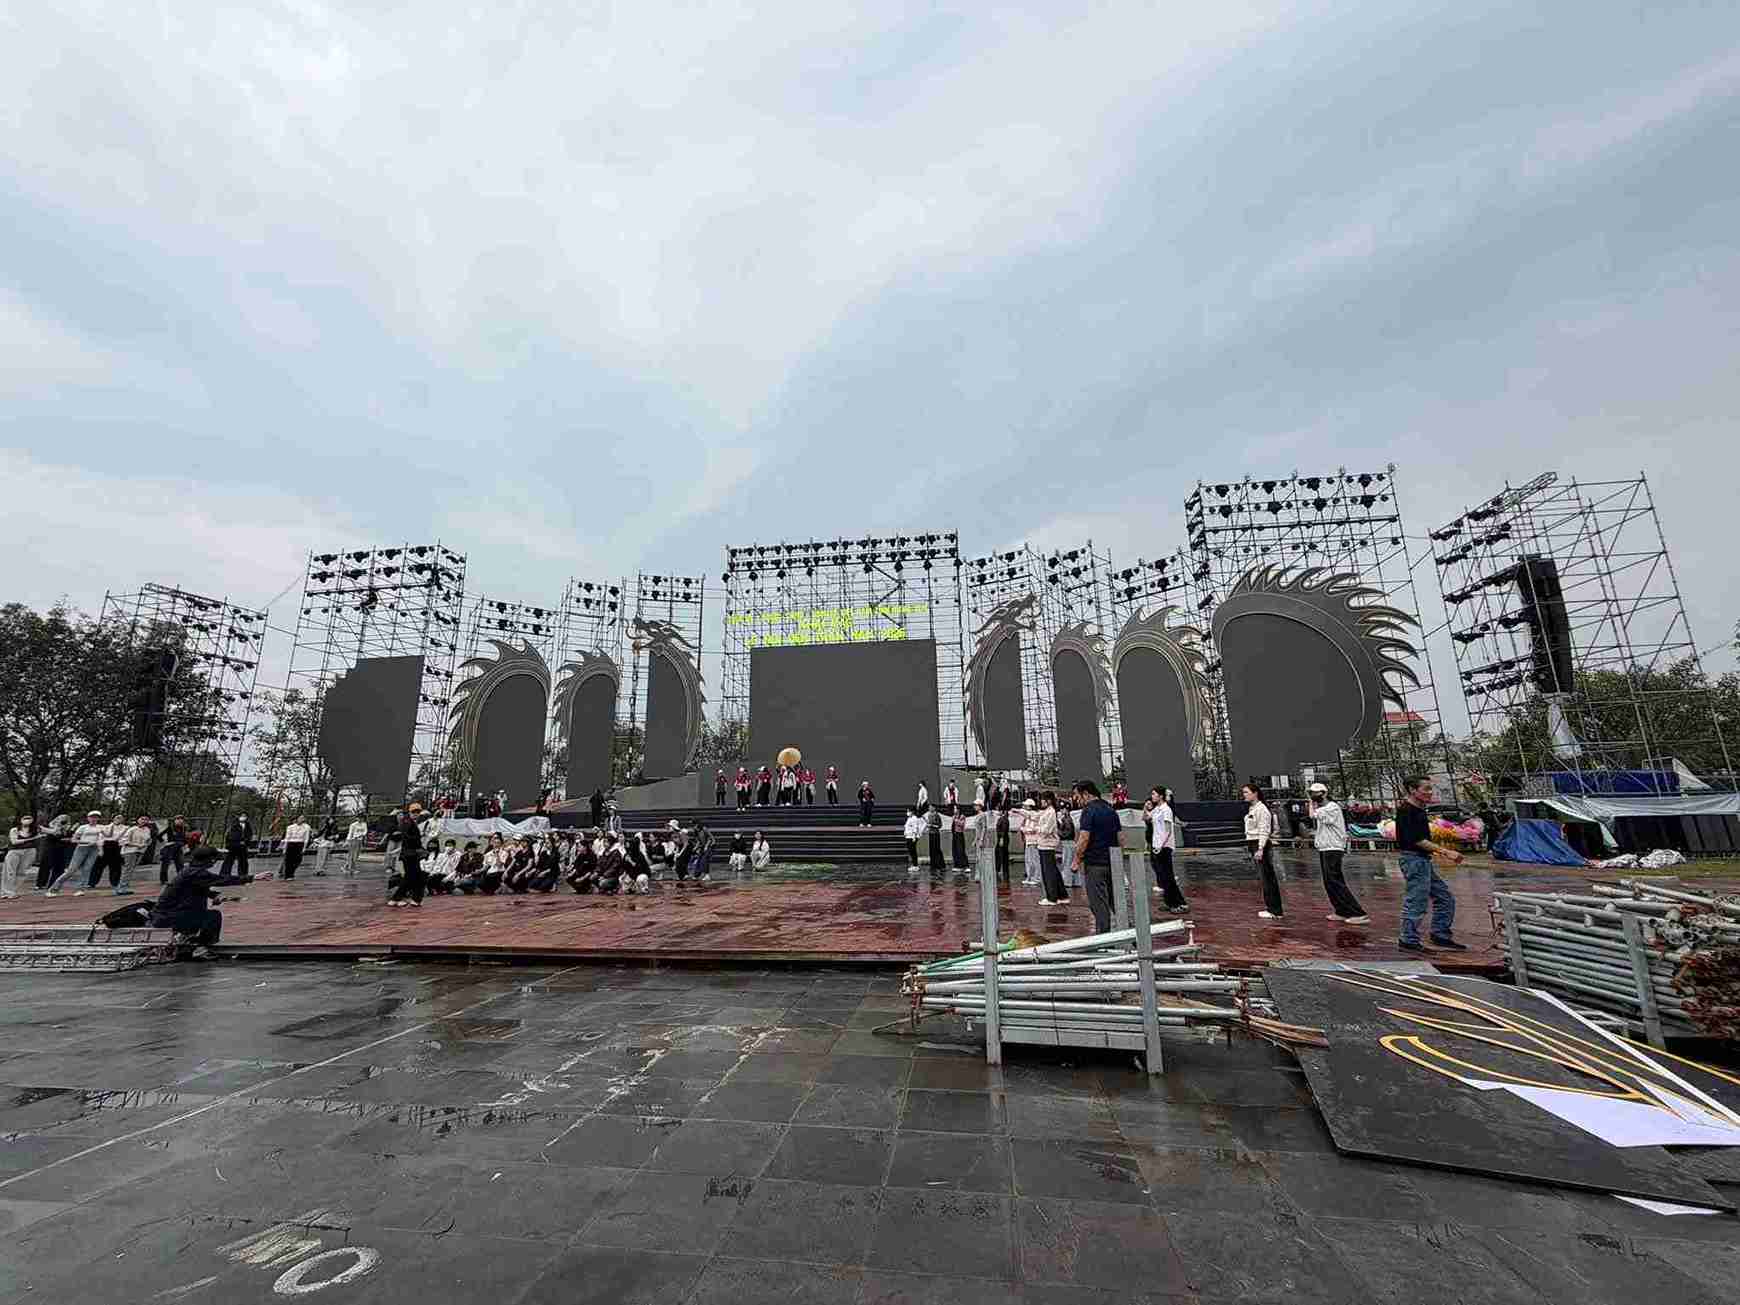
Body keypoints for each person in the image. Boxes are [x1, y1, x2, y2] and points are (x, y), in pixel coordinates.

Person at [151, 832, 250, 959]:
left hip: (164, 915)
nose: (214, 863)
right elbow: (221, 880)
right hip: (170, 917)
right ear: (209, 860)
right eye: (214, 860)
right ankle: (200, 948)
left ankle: (185, 938)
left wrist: (214, 896)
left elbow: (198, 888)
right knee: (213, 916)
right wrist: (252, 878)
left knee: (202, 913)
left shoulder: (189, 871)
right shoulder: (196, 873)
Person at [1395, 775, 1465, 952]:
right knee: (1417, 900)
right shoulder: (1407, 810)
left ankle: (1440, 933)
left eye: (1430, 788)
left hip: (1422, 860)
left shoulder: (1419, 809)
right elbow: (1417, 840)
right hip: (1414, 860)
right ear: (1412, 789)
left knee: (1444, 897)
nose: (1430, 792)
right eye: (1426, 789)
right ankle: (1408, 939)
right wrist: (1446, 852)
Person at [1308, 783, 1369, 924]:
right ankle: (1341, 910)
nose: (1312, 796)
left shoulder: (1332, 808)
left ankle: (1357, 912)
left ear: (1324, 793)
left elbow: (1313, 815)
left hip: (1333, 848)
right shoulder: (1325, 808)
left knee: (1335, 880)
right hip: (1325, 847)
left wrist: (1311, 803)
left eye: (1315, 793)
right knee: (1329, 882)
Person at [1071, 780, 1122, 933]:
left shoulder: (1088, 811)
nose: (1077, 800)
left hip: (1095, 864)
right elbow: (1120, 838)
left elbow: (1084, 838)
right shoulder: (1110, 809)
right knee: (1116, 902)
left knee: (1098, 904)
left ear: (1086, 794)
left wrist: (1076, 860)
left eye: (1077, 796)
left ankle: (1103, 940)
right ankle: (1130, 934)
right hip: (1112, 862)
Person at [1145, 787, 1188, 912]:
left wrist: (1161, 845)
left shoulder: (1166, 810)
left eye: (1154, 794)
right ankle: (1170, 902)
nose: (1152, 796)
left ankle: (1179, 904)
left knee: (1167, 876)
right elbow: (1146, 818)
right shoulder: (1157, 809)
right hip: (1156, 846)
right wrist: (1145, 807)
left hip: (1164, 847)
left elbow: (1168, 830)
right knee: (1162, 876)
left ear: (1161, 796)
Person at [1244, 783, 1282, 920]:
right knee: (1264, 877)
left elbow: (1264, 829)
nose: (1244, 795)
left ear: (1255, 793)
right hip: (1253, 842)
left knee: (1267, 877)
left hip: (1260, 844)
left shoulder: (1262, 809)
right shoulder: (1253, 808)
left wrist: (1260, 848)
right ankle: (1271, 908)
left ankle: (1275, 910)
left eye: (1247, 792)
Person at [47, 811, 105, 896]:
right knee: (71, 870)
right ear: (88, 818)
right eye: (92, 817)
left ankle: (80, 889)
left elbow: (101, 839)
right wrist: (86, 842)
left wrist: (101, 850)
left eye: (96, 817)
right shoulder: (83, 827)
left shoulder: (101, 827)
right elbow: (74, 840)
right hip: (82, 848)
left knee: (87, 870)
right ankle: (53, 889)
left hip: (94, 849)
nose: (94, 819)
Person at [386, 804, 426, 907]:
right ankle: (407, 898)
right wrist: (419, 847)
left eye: (418, 812)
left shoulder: (408, 822)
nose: (416, 814)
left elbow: (406, 838)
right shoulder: (407, 822)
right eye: (414, 812)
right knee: (414, 876)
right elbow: (408, 838)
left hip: (410, 853)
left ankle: (402, 898)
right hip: (411, 853)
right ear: (409, 812)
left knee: (413, 876)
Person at [1031, 792, 1066, 905]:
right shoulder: (1047, 812)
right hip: (1044, 845)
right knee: (1053, 871)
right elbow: (1034, 816)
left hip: (1047, 845)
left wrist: (1036, 829)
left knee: (1048, 872)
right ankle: (1062, 895)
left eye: (1043, 799)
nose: (1041, 802)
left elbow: (1047, 830)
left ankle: (1052, 897)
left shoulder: (1051, 812)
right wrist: (1020, 812)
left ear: (1048, 801)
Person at [3, 813, 38, 898]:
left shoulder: (35, 829)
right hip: (14, 852)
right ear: (20, 820)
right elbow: (14, 842)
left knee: (22, 872)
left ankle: (12, 891)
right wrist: (32, 838)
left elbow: (53, 830)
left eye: (29, 818)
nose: (27, 820)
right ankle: (5, 891)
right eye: (25, 818)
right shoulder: (14, 830)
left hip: (30, 851)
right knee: (10, 872)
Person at [116, 815, 153, 895]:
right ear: (138, 820)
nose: (144, 821)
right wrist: (136, 845)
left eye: (146, 819)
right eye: (142, 819)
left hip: (140, 852)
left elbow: (147, 840)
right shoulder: (132, 829)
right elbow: (123, 841)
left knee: (131, 870)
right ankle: (121, 888)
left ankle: (124, 887)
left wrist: (148, 842)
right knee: (128, 869)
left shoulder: (147, 830)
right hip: (130, 851)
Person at [156, 816, 188, 884]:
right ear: (174, 820)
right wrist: (165, 843)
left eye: (181, 819)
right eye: (178, 819)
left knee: (180, 864)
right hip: (170, 847)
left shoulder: (184, 828)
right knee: (165, 864)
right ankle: (164, 880)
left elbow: (184, 839)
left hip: (179, 848)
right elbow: (159, 836)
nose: (180, 821)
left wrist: (185, 844)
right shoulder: (170, 828)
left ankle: (181, 878)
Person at [971, 802, 997, 882]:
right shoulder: (978, 816)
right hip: (978, 838)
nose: (975, 807)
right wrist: (975, 839)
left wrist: (981, 839)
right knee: (978, 858)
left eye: (976, 805)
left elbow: (984, 828)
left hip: (983, 839)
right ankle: (978, 874)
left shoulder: (983, 815)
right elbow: (977, 829)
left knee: (981, 857)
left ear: (980, 806)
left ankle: (982, 874)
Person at [221, 813, 252, 879]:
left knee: (243, 861)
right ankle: (224, 874)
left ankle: (243, 874)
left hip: (243, 846)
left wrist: (246, 842)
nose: (244, 817)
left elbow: (249, 834)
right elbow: (231, 835)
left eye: (245, 816)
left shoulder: (247, 825)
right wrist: (238, 841)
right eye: (242, 816)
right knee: (229, 860)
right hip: (234, 845)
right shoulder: (234, 824)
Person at [1017, 799, 1040, 887]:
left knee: (1035, 860)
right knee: (1028, 860)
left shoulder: (1035, 815)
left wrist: (1025, 830)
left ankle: (1036, 878)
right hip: (1028, 841)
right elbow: (1023, 827)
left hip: (1034, 842)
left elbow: (1033, 829)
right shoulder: (1027, 818)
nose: (1025, 808)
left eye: (1026, 806)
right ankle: (1029, 877)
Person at [1057, 800, 1078, 889]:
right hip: (1070, 843)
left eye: (1062, 809)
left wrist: (1058, 832)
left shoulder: (1066, 819)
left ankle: (1067, 881)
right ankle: (1075, 881)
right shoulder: (1067, 819)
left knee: (1067, 862)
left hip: (1068, 842)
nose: (1061, 811)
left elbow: (1067, 833)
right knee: (1071, 861)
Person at [281, 815, 311, 880]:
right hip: (291, 843)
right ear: (297, 819)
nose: (302, 819)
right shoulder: (290, 827)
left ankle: (292, 872)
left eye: (303, 818)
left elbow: (306, 838)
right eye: (300, 818)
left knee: (298, 860)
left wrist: (304, 847)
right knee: (289, 860)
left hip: (300, 844)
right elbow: (287, 837)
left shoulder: (307, 827)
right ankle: (288, 875)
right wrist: (284, 848)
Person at [994, 803, 1011, 881]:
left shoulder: (1004, 819)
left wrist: (1001, 839)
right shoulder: (1002, 818)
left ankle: (1003, 871)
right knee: (1001, 855)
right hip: (1001, 838)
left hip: (1002, 839)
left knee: (1002, 855)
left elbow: (1003, 830)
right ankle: (1001, 870)